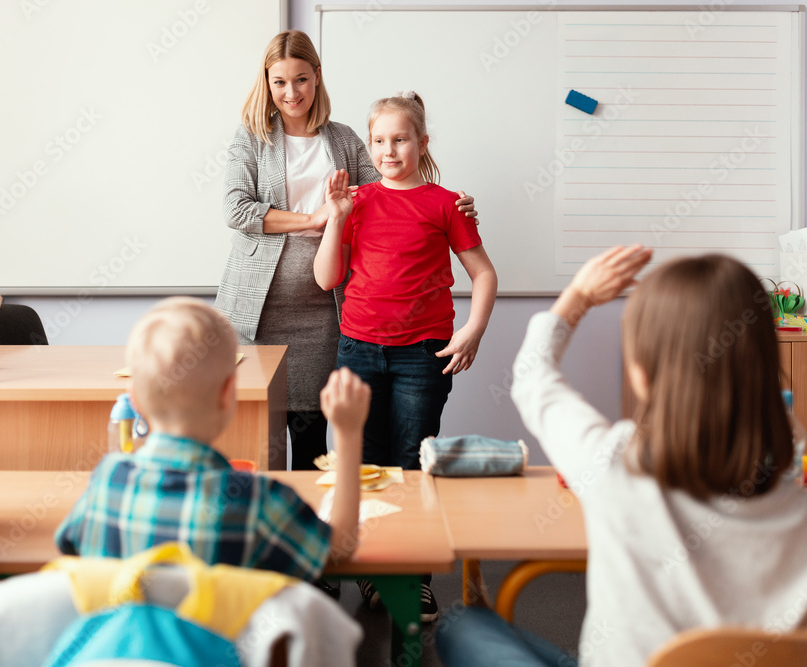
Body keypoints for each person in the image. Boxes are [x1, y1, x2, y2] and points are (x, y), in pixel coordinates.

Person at [437, 247, 807, 667]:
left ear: (643, 373)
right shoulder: (795, 483)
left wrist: (577, 297)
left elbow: (533, 378)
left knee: (464, 625)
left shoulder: (615, 462)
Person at [215, 30, 476, 472]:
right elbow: (237, 209)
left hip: (325, 315)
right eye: (279, 82)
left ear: (317, 77)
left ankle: (313, 532)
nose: (291, 92)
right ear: (267, 83)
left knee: (313, 440)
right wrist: (314, 219)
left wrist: (453, 203)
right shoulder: (252, 138)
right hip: (257, 314)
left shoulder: (342, 139)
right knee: (259, 445)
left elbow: (392, 185)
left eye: (300, 79)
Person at [314, 92, 497, 622]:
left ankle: (412, 575)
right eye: (378, 140)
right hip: (359, 349)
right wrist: (335, 217)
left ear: (421, 143)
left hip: (423, 354)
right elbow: (328, 277)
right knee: (361, 464)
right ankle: (371, 567)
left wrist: (474, 331)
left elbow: (483, 273)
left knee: (411, 462)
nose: (388, 149)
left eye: (399, 139)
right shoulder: (358, 201)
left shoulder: (445, 203)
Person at [54, 297, 370, 584]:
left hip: (119, 648)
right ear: (227, 394)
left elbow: (68, 546)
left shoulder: (107, 479)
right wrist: (348, 434)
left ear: (134, 400)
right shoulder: (257, 502)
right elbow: (338, 549)